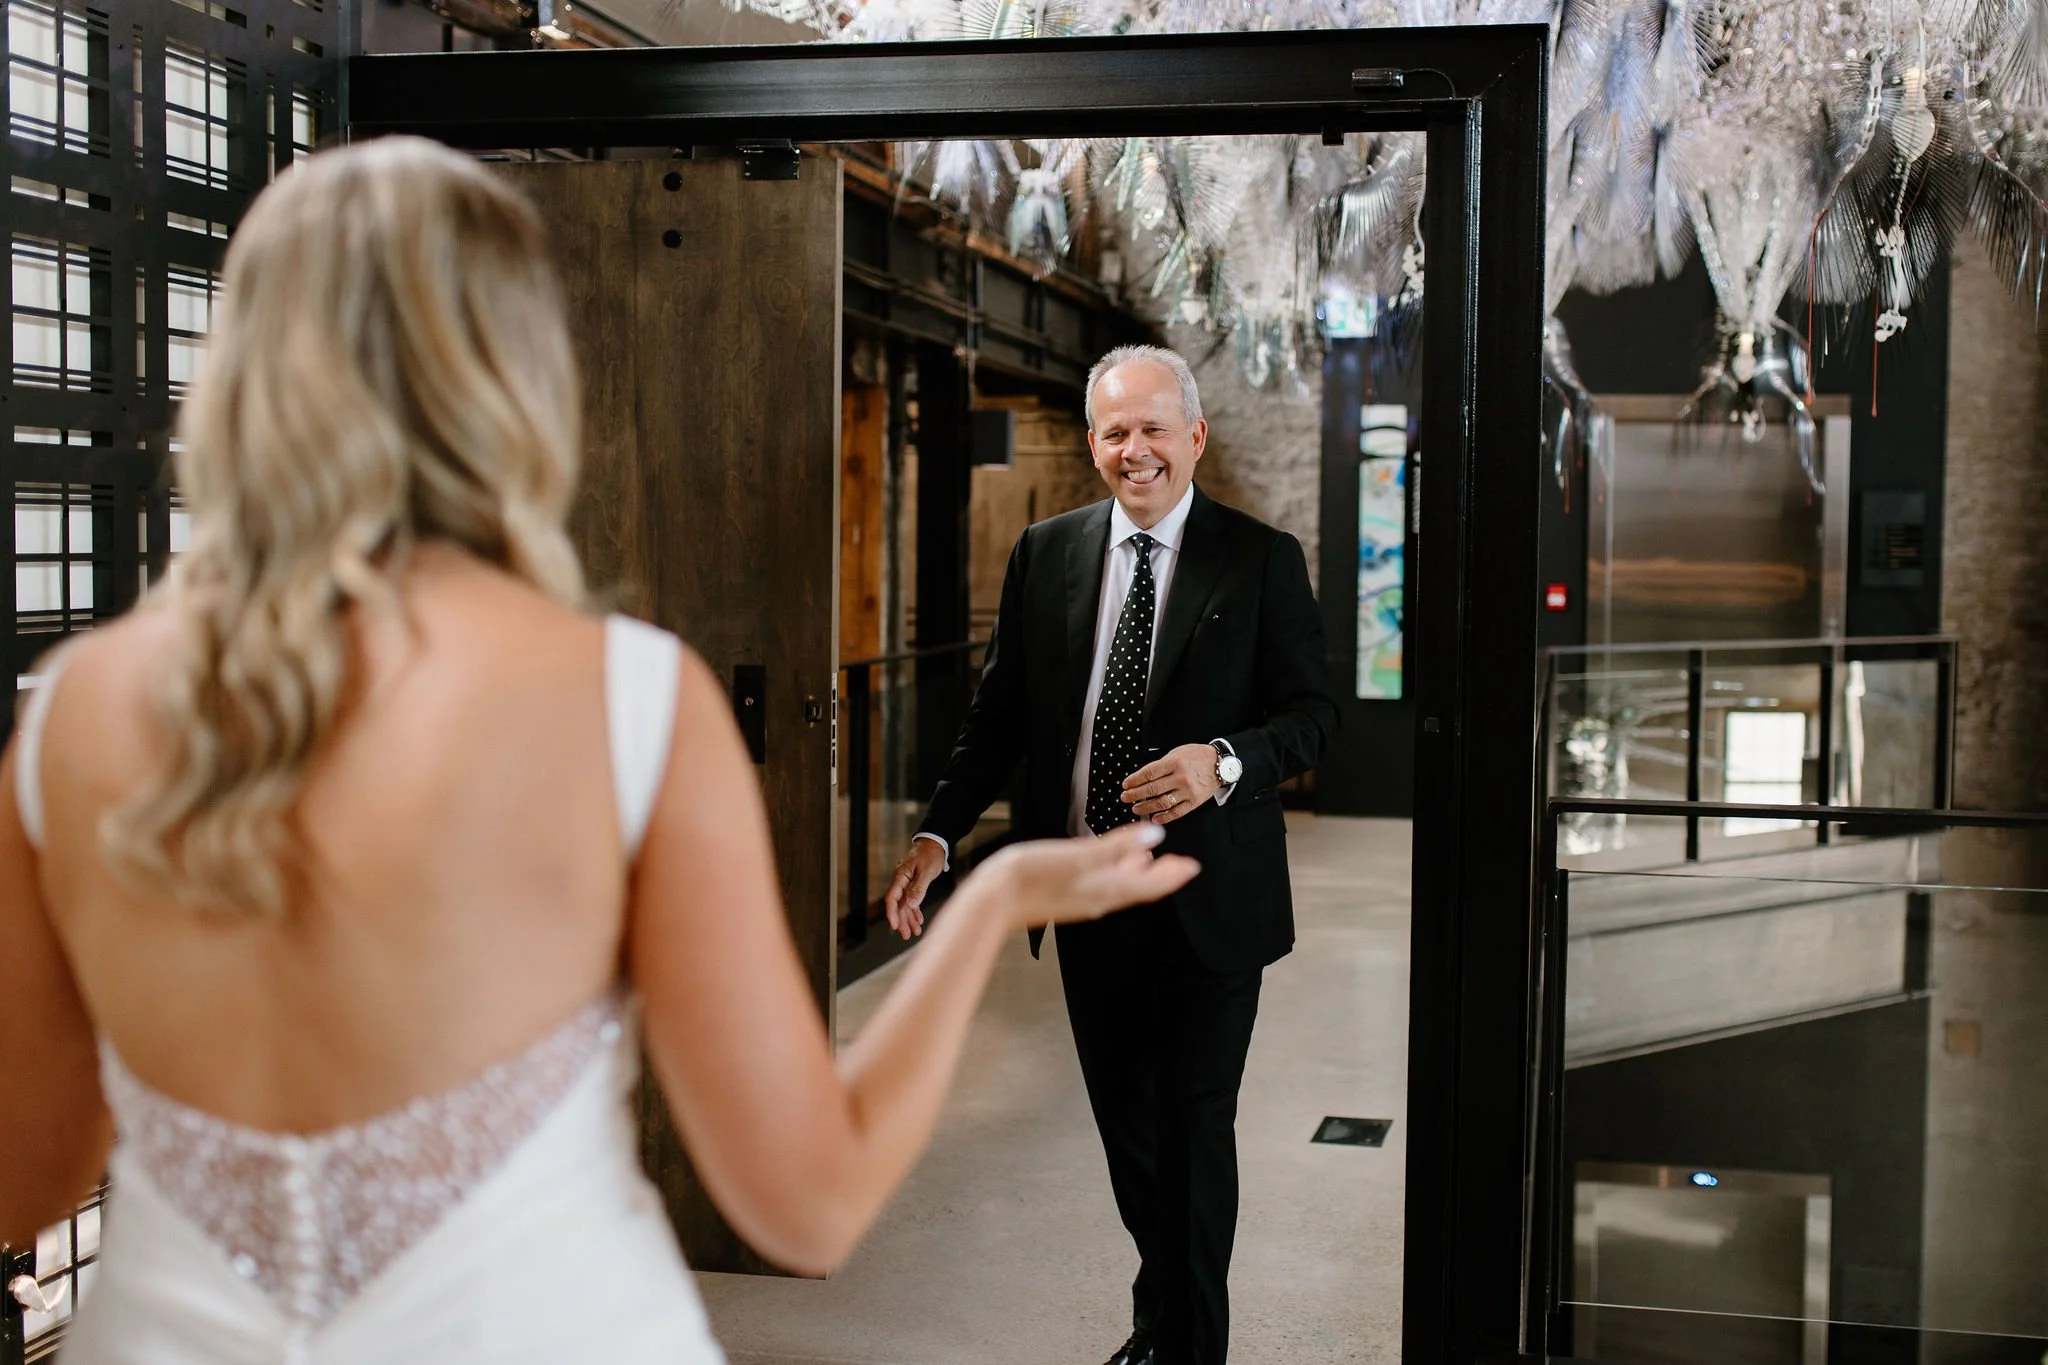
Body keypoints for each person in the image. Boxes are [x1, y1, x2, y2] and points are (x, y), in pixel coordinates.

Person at [0, 137, 1197, 1365]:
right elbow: (808, 1199)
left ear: (245, 371)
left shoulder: (81, 706)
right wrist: (991, 901)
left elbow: (25, 1176)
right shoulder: (625, 701)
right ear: (516, 373)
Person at [884, 345, 1338, 1365]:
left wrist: (1223, 761)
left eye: (1153, 429)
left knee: (1193, 1131)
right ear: (1093, 443)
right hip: (1086, 894)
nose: (1136, 450)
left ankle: (1186, 1350)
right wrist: (937, 833)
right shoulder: (1045, 552)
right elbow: (998, 717)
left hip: (1205, 896)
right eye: (1115, 431)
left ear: (1194, 437)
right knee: (1130, 1137)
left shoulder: (1259, 559)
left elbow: (1313, 717)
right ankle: (1160, 1328)